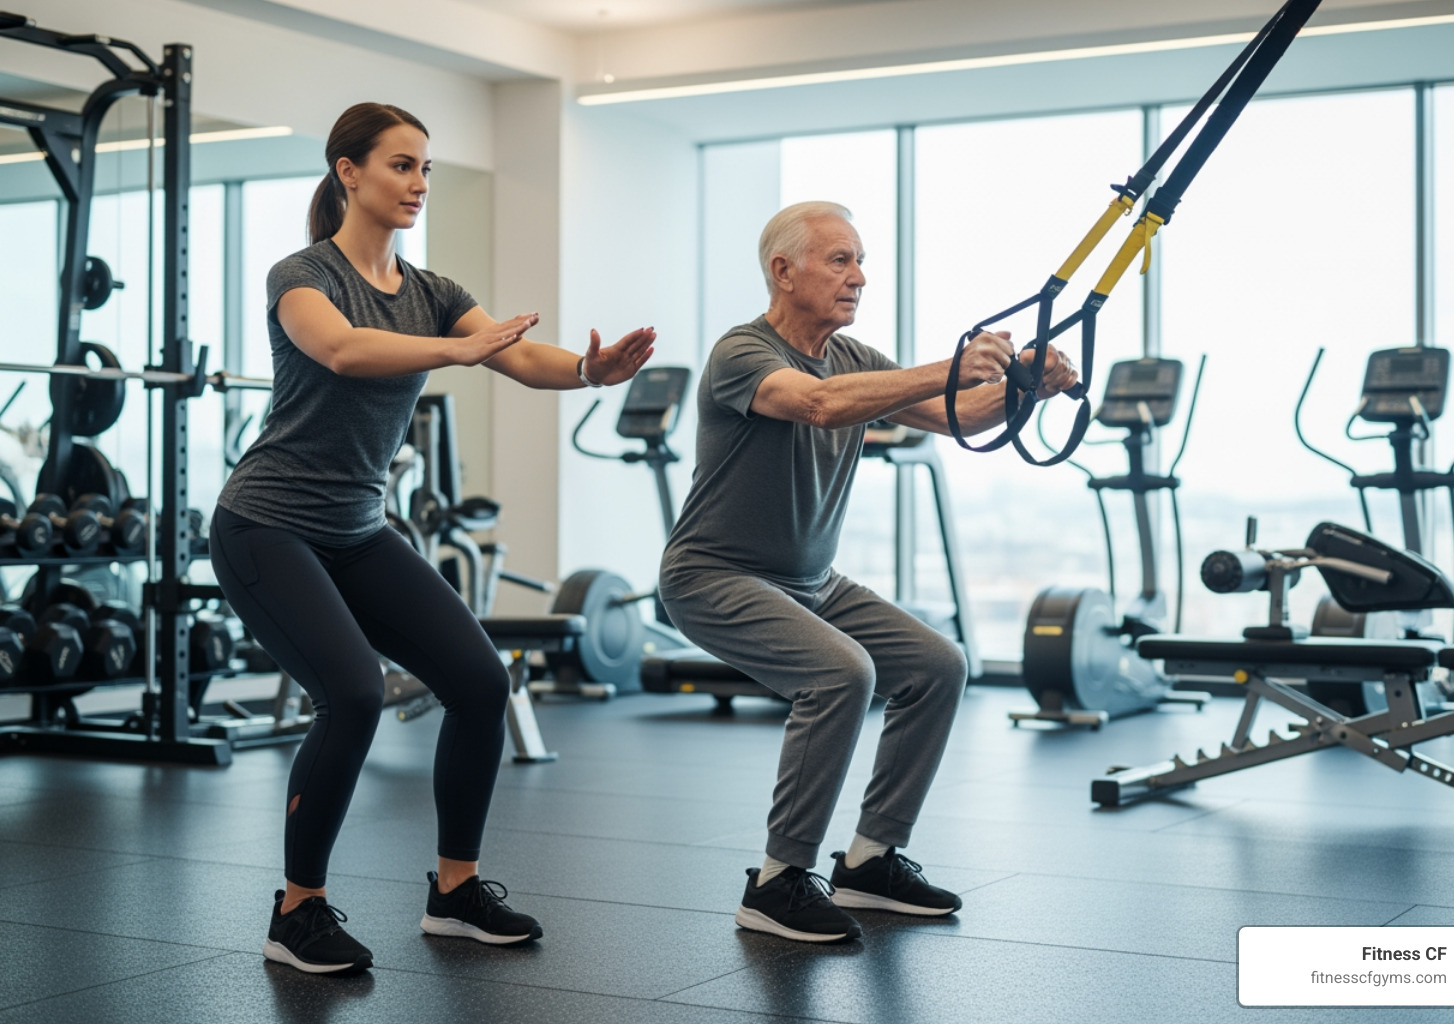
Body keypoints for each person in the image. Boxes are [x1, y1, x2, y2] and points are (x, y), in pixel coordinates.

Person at [211, 102, 654, 974]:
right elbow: (338, 350)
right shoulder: (302, 274)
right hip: (266, 525)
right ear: (349, 172)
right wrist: (457, 353)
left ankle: (455, 892)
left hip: (357, 530)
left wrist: (588, 372)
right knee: (354, 693)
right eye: (400, 166)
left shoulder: (433, 292)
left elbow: (517, 356)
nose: (417, 184)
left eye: (424, 170)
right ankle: (298, 912)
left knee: (481, 684)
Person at [658, 201, 1077, 943]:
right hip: (713, 575)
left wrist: (1023, 387)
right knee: (840, 674)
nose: (859, 277)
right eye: (840, 260)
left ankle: (870, 860)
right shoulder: (742, 353)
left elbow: (957, 417)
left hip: (813, 581)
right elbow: (816, 405)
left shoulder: (856, 358)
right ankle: (777, 880)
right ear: (784, 273)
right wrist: (948, 368)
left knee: (940, 664)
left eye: (860, 260)